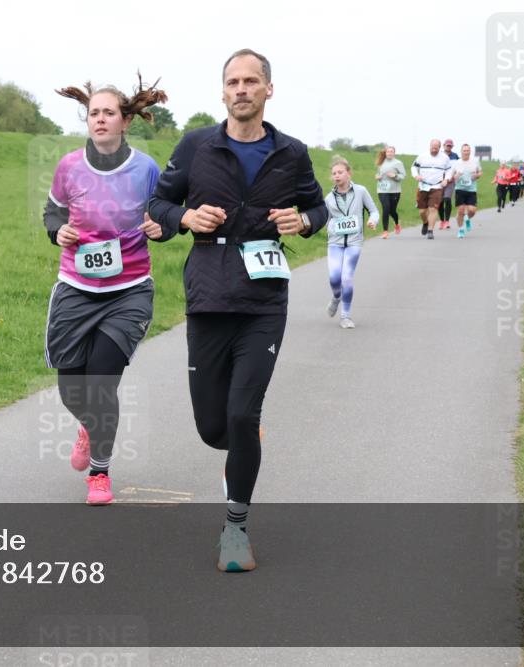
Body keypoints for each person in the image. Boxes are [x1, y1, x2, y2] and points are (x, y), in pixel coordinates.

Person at [147, 49, 328, 572]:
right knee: (213, 426)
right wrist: (185, 216)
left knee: (243, 412)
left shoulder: (291, 152)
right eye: (233, 81)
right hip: (209, 295)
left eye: (251, 81)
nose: (242, 88)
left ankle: (235, 529)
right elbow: (157, 206)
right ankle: (243, 439)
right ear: (222, 91)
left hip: (264, 302)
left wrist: (306, 221)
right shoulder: (197, 146)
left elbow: (318, 206)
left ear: (269, 89)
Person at [43, 76, 168, 505]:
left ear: (125, 120)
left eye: (108, 112)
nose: (99, 119)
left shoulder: (147, 169)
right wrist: (58, 231)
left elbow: (164, 214)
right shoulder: (69, 166)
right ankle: (89, 426)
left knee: (100, 384)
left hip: (128, 290)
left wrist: (160, 226)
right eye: (94, 112)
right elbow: (53, 211)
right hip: (76, 287)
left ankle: (100, 472)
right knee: (71, 388)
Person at [324, 157, 378, 328]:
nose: (337, 176)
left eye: (340, 172)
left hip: (354, 242)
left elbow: (374, 211)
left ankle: (345, 316)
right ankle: (336, 297)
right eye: (334, 173)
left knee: (346, 277)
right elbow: (326, 221)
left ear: (348, 173)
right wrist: (331, 227)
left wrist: (373, 221)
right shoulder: (329, 198)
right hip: (335, 242)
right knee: (334, 278)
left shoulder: (360, 191)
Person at [410, 139, 453, 240]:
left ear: (439, 147)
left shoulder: (444, 158)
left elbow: (449, 170)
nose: (434, 150)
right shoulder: (422, 156)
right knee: (422, 211)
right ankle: (425, 222)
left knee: (433, 209)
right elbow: (413, 167)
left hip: (437, 186)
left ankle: (430, 231)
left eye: (436, 148)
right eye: (432, 148)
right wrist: (416, 176)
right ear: (430, 146)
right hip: (423, 186)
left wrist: (446, 179)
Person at [451, 144, 482, 238]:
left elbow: (480, 172)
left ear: (470, 151)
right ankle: (461, 230)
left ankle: (467, 218)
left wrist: (476, 176)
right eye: (464, 151)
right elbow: (452, 176)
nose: (466, 152)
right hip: (460, 189)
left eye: (467, 150)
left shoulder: (475, 161)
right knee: (460, 211)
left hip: (471, 189)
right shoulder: (456, 163)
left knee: (472, 210)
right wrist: (456, 176)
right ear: (461, 152)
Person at [374, 146, 405, 238]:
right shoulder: (381, 163)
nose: (390, 153)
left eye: (392, 151)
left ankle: (396, 224)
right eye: (388, 151)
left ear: (394, 153)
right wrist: (377, 177)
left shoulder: (398, 163)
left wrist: (394, 175)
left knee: (392, 211)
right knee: (386, 208)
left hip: (394, 190)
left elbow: (403, 176)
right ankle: (385, 231)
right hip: (382, 189)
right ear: (385, 153)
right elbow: (377, 174)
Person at [437, 139, 459, 229]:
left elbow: (458, 167)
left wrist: (453, 176)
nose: (448, 147)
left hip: (450, 181)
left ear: (452, 147)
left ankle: (447, 221)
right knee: (440, 202)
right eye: (447, 145)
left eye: (450, 146)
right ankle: (442, 221)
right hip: (440, 181)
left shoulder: (455, 156)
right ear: (444, 145)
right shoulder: (439, 155)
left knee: (447, 199)